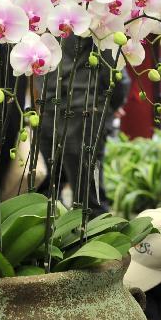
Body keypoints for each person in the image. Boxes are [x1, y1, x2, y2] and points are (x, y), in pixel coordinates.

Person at [40, 36, 129, 215]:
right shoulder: (92, 16)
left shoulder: (46, 18)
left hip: (51, 106)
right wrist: (112, 104)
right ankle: (94, 238)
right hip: (84, 109)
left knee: (48, 193)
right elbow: (114, 70)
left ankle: (56, 239)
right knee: (89, 195)